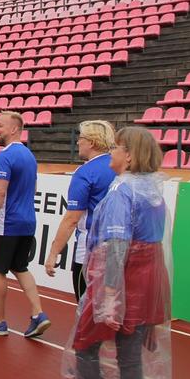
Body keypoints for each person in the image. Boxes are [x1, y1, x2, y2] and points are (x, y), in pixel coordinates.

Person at [53, 126, 173, 379]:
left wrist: (108, 293)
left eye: (118, 148)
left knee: (86, 344)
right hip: (149, 278)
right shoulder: (153, 190)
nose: (113, 153)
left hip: (121, 279)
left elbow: (117, 245)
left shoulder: (123, 191)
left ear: (130, 156)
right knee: (130, 357)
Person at [0, 112, 50, 339]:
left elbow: (0, 192)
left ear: (14, 129)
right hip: (27, 221)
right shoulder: (29, 156)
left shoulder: (4, 156)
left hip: (7, 224)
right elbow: (31, 188)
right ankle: (38, 313)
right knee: (20, 267)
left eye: (0, 126)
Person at [45, 121, 117, 300]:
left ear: (91, 142)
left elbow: (71, 219)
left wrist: (54, 252)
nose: (78, 142)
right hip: (118, 245)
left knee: (86, 305)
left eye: (81, 138)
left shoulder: (85, 172)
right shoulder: (119, 166)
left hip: (89, 247)